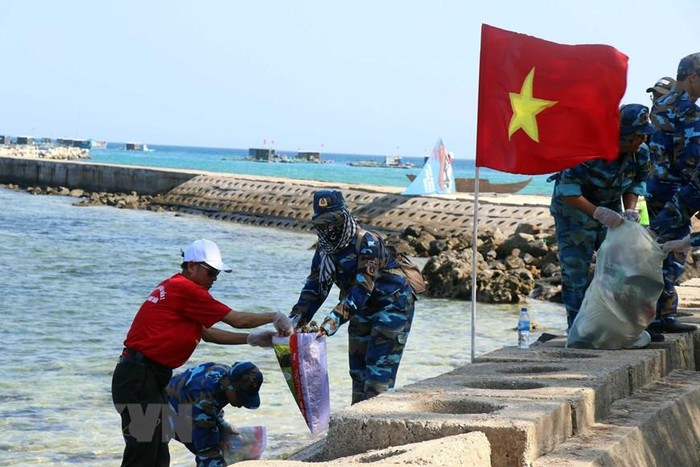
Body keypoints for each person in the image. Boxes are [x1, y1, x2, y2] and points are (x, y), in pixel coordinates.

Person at [111, 238, 292, 467]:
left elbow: (207, 333)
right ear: (192, 265)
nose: (215, 278)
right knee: (143, 452)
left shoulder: (178, 287)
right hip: (138, 377)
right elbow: (237, 319)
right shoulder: (185, 288)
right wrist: (274, 316)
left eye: (217, 273)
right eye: (211, 272)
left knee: (158, 451)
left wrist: (251, 339)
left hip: (149, 377)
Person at [289, 190, 416, 404]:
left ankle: (379, 430)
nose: (329, 229)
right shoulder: (324, 250)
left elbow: (362, 288)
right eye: (323, 223)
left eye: (333, 221)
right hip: (359, 309)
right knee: (358, 374)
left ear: (345, 215)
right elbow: (315, 288)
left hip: (391, 306)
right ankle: (359, 430)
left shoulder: (367, 242)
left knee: (378, 379)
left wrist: (331, 322)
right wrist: (295, 320)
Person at [549, 104, 654, 331]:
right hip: (573, 214)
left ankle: (621, 328)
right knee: (576, 272)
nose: (643, 139)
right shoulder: (585, 151)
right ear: (623, 135)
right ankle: (578, 331)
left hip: (611, 210)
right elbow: (567, 193)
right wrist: (598, 213)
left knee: (621, 268)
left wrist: (630, 210)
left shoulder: (641, 153)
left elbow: (636, 182)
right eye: (638, 135)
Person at [645, 52, 700, 334]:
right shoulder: (688, 111)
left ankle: (662, 314)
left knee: (659, 251)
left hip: (656, 187)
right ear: (693, 78)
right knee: (670, 254)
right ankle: (656, 317)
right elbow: (692, 160)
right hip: (678, 193)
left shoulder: (660, 104)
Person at [166, 361, 263, 467]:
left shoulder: (226, 373)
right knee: (153, 457)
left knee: (219, 440)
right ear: (230, 388)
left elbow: (211, 405)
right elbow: (208, 452)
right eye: (241, 398)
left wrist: (221, 424)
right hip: (159, 410)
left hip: (184, 402)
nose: (241, 404)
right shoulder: (204, 401)